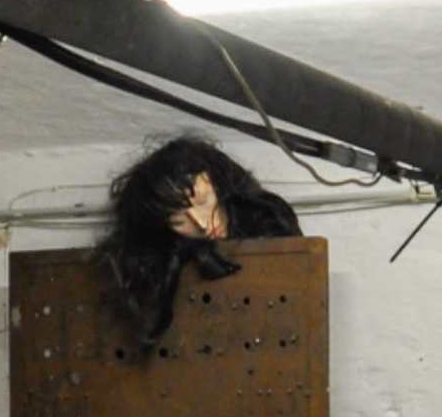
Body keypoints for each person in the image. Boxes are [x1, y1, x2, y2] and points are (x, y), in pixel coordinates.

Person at [97, 136, 301, 344]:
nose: (201, 224)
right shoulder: (158, 260)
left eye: (203, 200)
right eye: (178, 222)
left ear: (218, 182)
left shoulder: (269, 219)